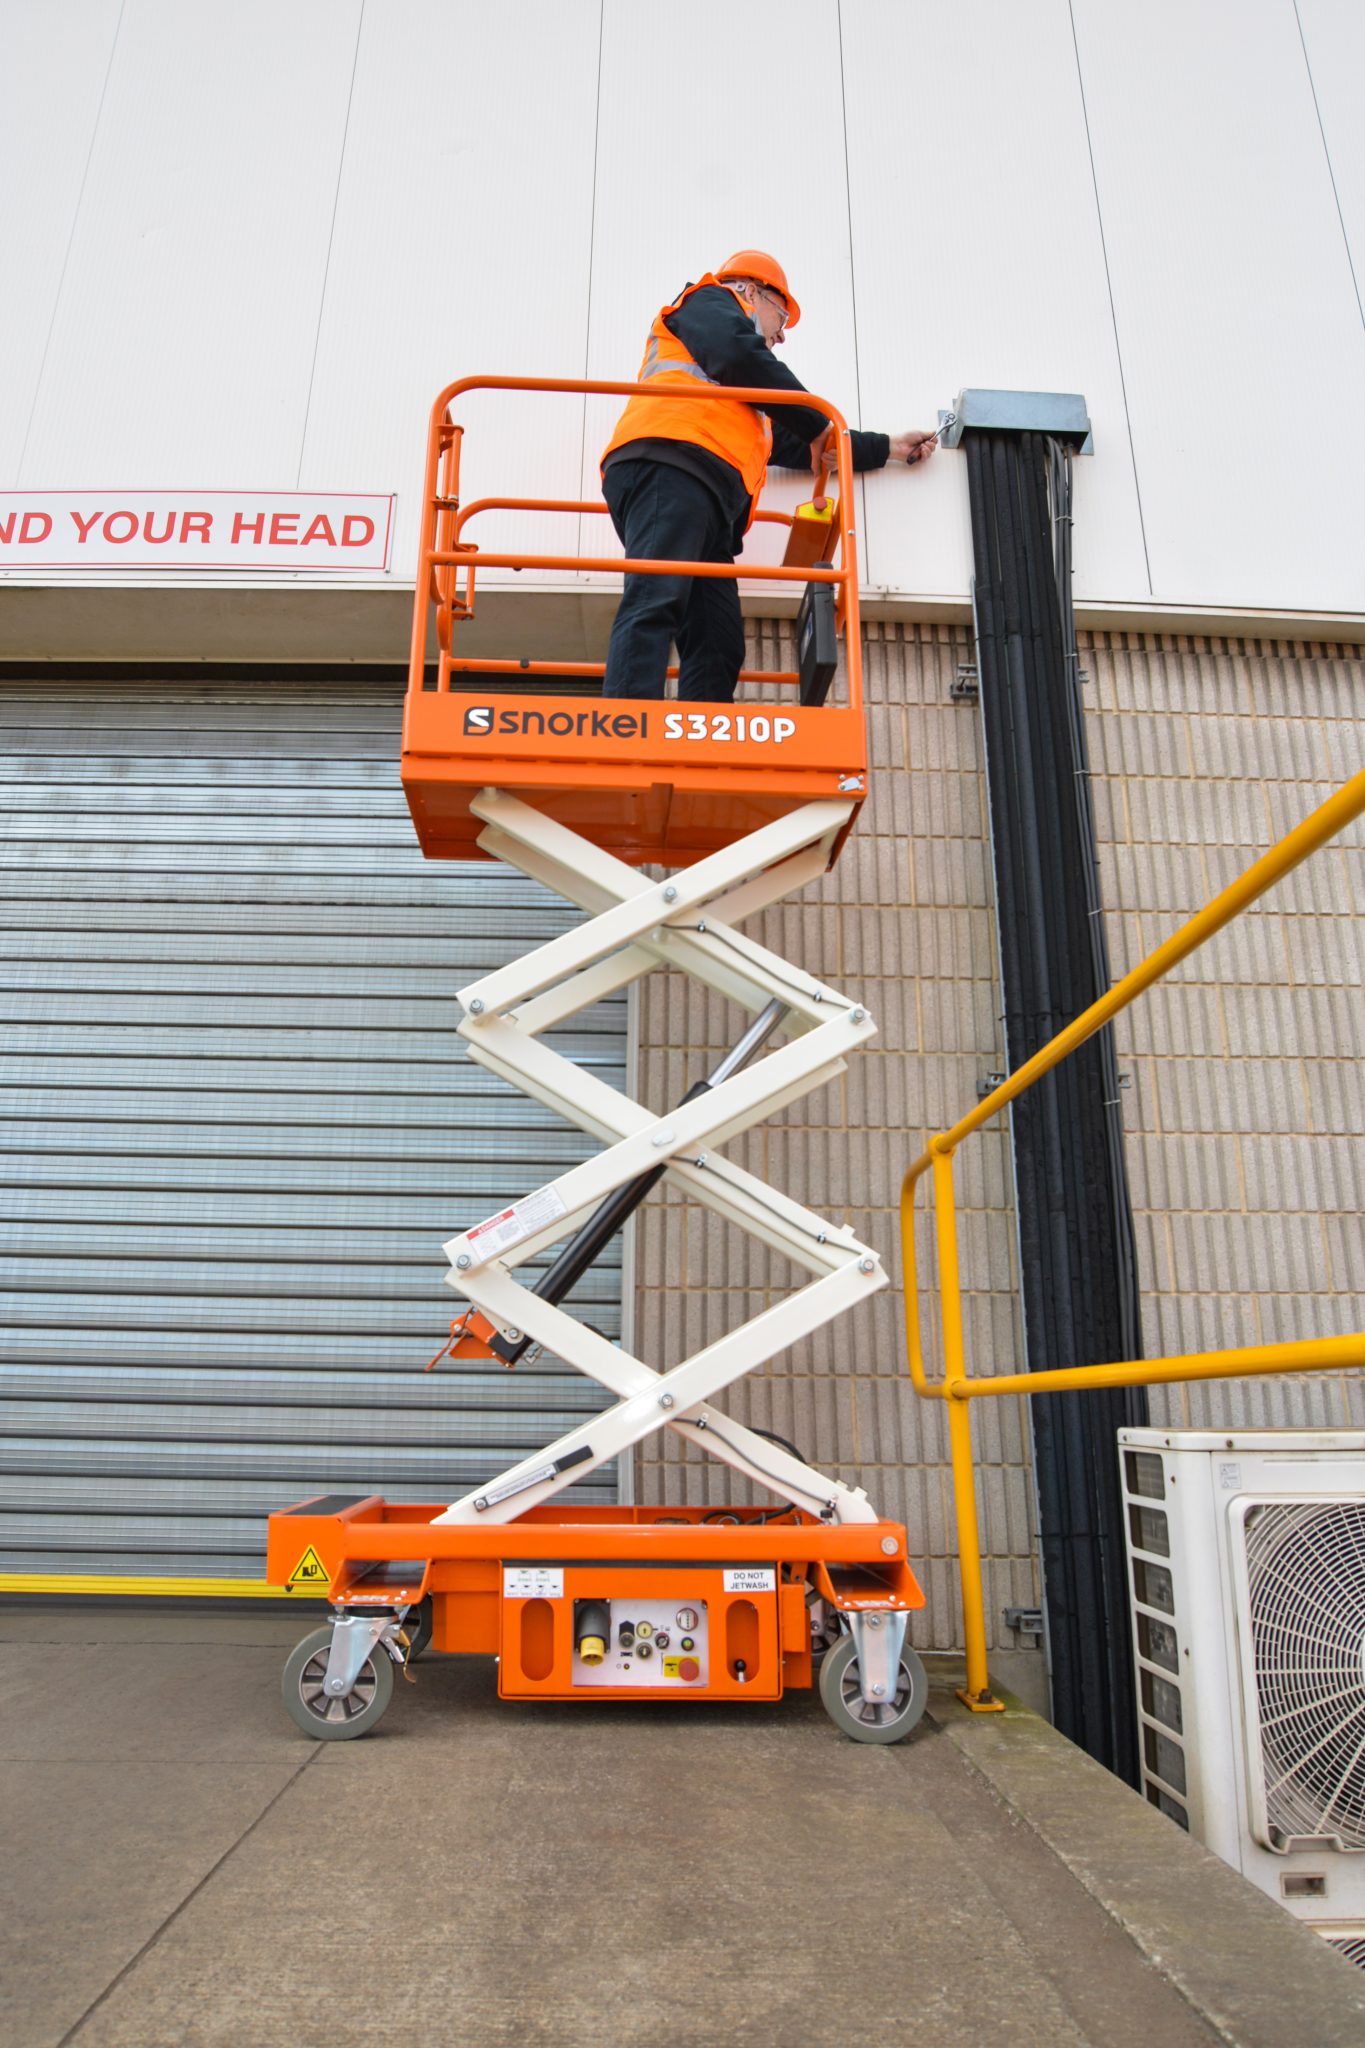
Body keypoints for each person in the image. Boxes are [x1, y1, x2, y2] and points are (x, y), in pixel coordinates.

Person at [600, 249, 937, 702]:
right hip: (670, 463)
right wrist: (816, 423)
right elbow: (742, 355)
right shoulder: (708, 302)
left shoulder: (743, 398)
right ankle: (626, 726)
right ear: (753, 292)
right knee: (656, 597)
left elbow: (801, 442)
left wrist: (889, 447)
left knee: (718, 643)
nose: (780, 337)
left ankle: (696, 750)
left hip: (707, 500)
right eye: (781, 319)